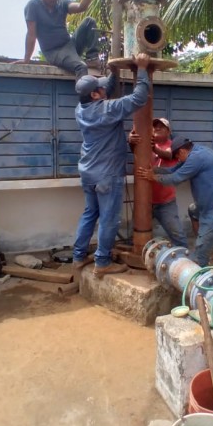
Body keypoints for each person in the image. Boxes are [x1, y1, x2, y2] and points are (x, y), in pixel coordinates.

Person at [72, 53, 151, 278]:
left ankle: (78, 257)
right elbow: (138, 98)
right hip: (107, 174)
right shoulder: (107, 109)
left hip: (88, 171)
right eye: (99, 87)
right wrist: (143, 68)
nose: (103, 88)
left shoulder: (81, 108)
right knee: (109, 218)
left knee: (90, 213)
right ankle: (102, 262)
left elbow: (105, 86)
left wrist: (113, 72)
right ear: (96, 95)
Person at [136, 136, 213, 266]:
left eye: (177, 157)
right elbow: (173, 170)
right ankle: (203, 239)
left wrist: (153, 177)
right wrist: (155, 170)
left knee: (199, 257)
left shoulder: (196, 158)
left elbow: (176, 178)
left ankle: (201, 262)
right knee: (193, 210)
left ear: (182, 152)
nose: (177, 160)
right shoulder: (200, 151)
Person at [16, 0, 100, 77]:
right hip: (54, 52)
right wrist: (26, 59)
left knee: (89, 21)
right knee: (81, 67)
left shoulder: (62, 2)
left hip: (69, 45)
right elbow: (31, 34)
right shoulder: (33, 6)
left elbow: (80, 7)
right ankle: (83, 93)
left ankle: (92, 59)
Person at [128, 117, 188, 247]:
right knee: (134, 236)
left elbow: (169, 155)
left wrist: (153, 148)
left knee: (178, 236)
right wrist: (131, 140)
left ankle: (186, 261)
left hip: (165, 202)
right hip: (144, 202)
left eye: (162, 126)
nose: (157, 128)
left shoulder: (173, 146)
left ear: (168, 131)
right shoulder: (144, 144)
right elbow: (134, 149)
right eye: (155, 126)